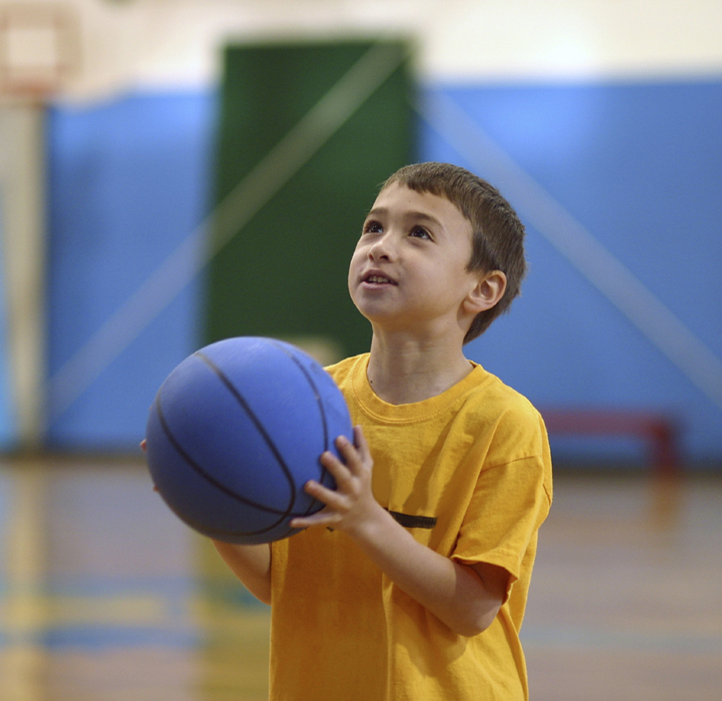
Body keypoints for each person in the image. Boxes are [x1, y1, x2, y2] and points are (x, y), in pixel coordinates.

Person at [214, 162, 553, 700]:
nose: (381, 246)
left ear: (483, 289)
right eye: (374, 227)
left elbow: (472, 608)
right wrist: (211, 498)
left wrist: (366, 519)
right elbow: (277, 583)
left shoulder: (503, 424)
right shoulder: (312, 399)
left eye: (419, 233)